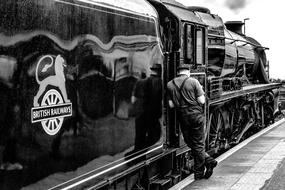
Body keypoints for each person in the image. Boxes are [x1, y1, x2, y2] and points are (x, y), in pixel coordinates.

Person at [167, 66, 217, 180]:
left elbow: (171, 105)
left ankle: (208, 162)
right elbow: (202, 101)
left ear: (178, 72)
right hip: (195, 115)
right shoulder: (194, 81)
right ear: (188, 72)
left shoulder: (170, 84)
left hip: (182, 117)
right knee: (198, 144)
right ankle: (202, 170)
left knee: (191, 143)